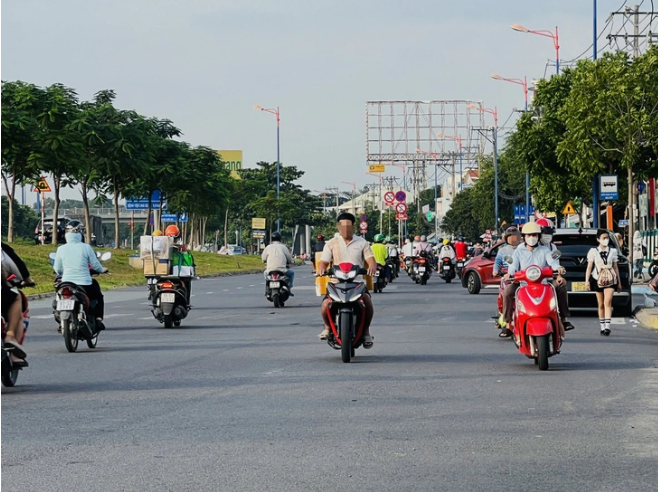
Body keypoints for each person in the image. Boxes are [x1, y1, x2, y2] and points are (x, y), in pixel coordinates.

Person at [502, 222, 573, 339]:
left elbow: (553, 262)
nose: (532, 238)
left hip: (544, 283)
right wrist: (509, 275)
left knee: (560, 286)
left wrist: (558, 269)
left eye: (534, 235)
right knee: (508, 292)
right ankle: (508, 323)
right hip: (523, 284)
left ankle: (564, 318)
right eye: (529, 235)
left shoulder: (545, 250)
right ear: (524, 237)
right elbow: (513, 267)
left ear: (538, 237)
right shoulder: (518, 251)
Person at [317, 212, 377, 348]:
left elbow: (370, 259)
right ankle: (327, 327)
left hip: (356, 281)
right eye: (342, 226)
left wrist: (372, 266)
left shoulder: (362, 242)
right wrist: (321, 268)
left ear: (353, 227)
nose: (345, 229)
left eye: (348, 226)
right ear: (338, 227)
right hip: (336, 281)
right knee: (326, 304)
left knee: (367, 302)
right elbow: (324, 262)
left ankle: (366, 331)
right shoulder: (331, 243)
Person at [54, 223, 107, 330]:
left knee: (58, 297)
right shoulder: (86, 248)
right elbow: (96, 265)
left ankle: (61, 320)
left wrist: (62, 272)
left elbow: (58, 268)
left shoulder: (61, 249)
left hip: (66, 282)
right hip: (85, 283)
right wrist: (103, 270)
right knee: (98, 297)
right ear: (80, 233)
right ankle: (98, 319)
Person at [585, 229, 622, 336]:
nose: (606, 240)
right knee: (600, 304)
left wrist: (619, 283)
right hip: (597, 279)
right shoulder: (593, 251)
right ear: (598, 240)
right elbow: (589, 267)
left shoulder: (613, 251)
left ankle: (607, 327)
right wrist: (587, 281)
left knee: (607, 301)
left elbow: (616, 267)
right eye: (603, 238)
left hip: (611, 279)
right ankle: (602, 327)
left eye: (607, 238)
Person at [1, 243, 34, 364]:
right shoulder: (3, 249)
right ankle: (10, 338)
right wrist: (27, 280)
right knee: (17, 298)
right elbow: (18, 266)